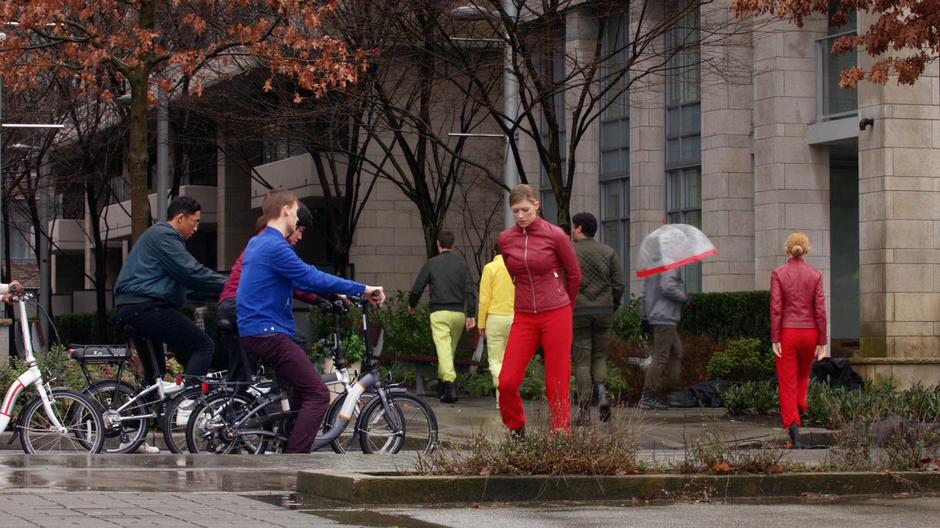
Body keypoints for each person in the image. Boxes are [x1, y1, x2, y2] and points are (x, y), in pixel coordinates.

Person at [237, 189, 385, 454]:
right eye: (295, 212)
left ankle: (285, 440)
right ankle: (295, 459)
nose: (297, 218)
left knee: (299, 390)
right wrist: (362, 289)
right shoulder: (275, 246)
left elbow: (293, 279)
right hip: (269, 333)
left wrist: (335, 292)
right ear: (285, 210)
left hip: (256, 331)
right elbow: (310, 276)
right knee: (317, 394)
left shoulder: (257, 243)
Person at [115, 196, 227, 392]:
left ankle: (136, 420)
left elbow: (187, 285)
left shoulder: (158, 236)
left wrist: (220, 291)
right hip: (146, 305)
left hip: (132, 306)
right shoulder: (165, 236)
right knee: (203, 345)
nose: (196, 228)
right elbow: (191, 272)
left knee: (154, 375)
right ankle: (189, 404)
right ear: (181, 218)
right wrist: (233, 284)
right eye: (196, 221)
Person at [497, 184, 582, 436]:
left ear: (536, 205)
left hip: (556, 312)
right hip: (524, 315)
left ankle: (560, 431)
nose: (521, 215)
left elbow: (575, 274)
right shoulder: (505, 239)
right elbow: (513, 272)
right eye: (515, 211)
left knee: (557, 378)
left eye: (525, 209)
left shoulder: (555, 235)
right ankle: (516, 427)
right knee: (507, 381)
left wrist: (567, 304)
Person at [217, 204, 319, 380]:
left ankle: (234, 404)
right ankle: (280, 394)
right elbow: (299, 280)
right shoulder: (275, 245)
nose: (300, 236)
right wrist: (321, 298)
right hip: (242, 306)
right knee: (297, 341)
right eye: (300, 229)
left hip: (228, 305)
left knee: (241, 378)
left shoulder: (260, 240)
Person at [771, 232, 827, 449]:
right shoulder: (815, 274)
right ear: (807, 250)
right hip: (810, 332)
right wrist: (822, 340)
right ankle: (801, 402)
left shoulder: (778, 273)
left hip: (788, 332)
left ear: (788, 249)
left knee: (787, 382)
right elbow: (820, 310)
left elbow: (776, 307)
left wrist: (775, 337)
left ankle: (794, 435)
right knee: (803, 375)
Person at [409, 231, 477, 404]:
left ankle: (450, 386)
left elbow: (418, 287)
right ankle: (442, 387)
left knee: (444, 350)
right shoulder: (462, 264)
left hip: (439, 313)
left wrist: (412, 304)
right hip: (458, 315)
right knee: (448, 351)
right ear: (452, 245)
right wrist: (471, 313)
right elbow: (470, 289)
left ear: (438, 243)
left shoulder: (431, 263)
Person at [570, 212, 625, 425]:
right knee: (600, 355)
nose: (572, 231)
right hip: (604, 310)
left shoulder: (570, 251)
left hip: (578, 312)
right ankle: (603, 394)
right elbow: (619, 283)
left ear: (579, 228)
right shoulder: (608, 252)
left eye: (574, 227)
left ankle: (584, 409)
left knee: (582, 361)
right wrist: (613, 303)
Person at [640, 265, 688, 411]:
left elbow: (645, 293)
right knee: (661, 356)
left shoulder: (655, 264)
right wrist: (684, 297)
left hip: (661, 316)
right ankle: (649, 396)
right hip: (664, 317)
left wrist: (645, 315)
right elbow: (668, 287)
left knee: (676, 352)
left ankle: (672, 392)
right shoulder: (668, 263)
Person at [477, 242, 514, 408]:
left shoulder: (490, 268)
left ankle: (502, 397)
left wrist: (481, 323)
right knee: (511, 360)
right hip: (515, 318)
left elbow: (484, 299)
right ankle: (508, 396)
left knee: (495, 361)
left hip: (495, 317)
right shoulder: (516, 268)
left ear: (494, 251)